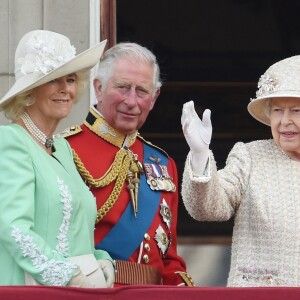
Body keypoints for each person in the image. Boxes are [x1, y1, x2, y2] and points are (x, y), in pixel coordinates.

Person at [63, 42, 194, 286]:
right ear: (99, 88)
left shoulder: (164, 164)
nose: (131, 101)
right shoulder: (65, 151)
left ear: (154, 99)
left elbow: (170, 261)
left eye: (142, 91)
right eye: (122, 87)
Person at [0, 29, 115, 287]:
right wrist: (68, 276)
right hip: (33, 289)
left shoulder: (62, 147)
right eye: (54, 80)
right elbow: (14, 229)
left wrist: (100, 259)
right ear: (30, 91)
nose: (65, 90)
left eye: (71, 80)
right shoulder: (10, 141)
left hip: (80, 289)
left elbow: (76, 228)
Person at [181, 55, 300, 287]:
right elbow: (208, 208)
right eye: (277, 110)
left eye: (295, 111)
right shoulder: (251, 157)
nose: (284, 121)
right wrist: (199, 156)